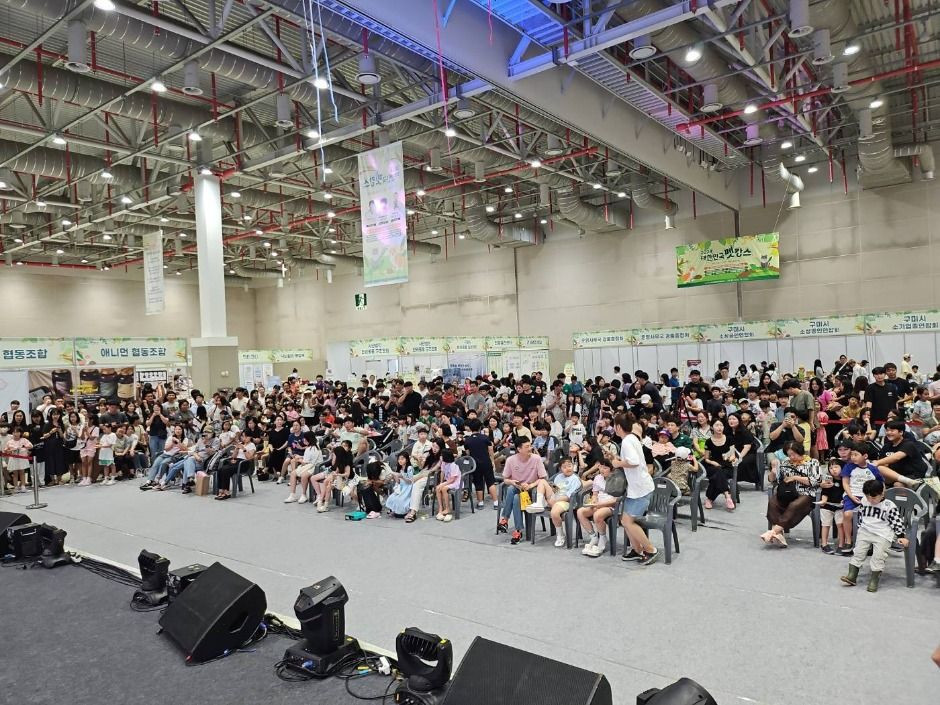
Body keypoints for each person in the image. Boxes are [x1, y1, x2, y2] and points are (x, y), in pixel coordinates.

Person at [840, 479, 909, 592]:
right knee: (858, 552)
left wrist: (901, 536)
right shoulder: (864, 501)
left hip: (882, 534)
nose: (870, 500)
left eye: (873, 497)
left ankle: (874, 579)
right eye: (867, 497)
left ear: (882, 494)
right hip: (865, 531)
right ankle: (852, 575)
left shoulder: (889, 506)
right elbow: (861, 514)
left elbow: (897, 522)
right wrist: (860, 526)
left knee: (879, 556)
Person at [610, 412, 659, 565]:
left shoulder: (627, 441)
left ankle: (650, 549)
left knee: (628, 521)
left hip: (640, 489)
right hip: (637, 488)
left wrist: (618, 463)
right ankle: (637, 550)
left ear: (618, 427)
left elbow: (634, 461)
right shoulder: (631, 438)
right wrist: (620, 460)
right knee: (625, 521)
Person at [761, 441, 821, 547]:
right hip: (787, 493)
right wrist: (773, 472)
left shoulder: (813, 462)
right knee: (773, 502)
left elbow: (815, 481)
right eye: (789, 455)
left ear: (800, 451)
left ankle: (773, 532)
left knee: (794, 505)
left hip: (806, 493)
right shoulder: (785, 462)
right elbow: (773, 480)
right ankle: (779, 534)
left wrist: (795, 478)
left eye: (794, 454)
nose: (792, 457)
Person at [497, 438, 547, 545]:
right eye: (527, 446)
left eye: (530, 445)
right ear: (519, 449)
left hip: (532, 491)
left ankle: (506, 521)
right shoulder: (511, 460)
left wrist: (531, 485)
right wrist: (512, 482)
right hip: (518, 488)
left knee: (514, 496)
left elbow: (543, 478)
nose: (530, 448)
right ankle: (516, 529)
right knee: (512, 491)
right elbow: (505, 479)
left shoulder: (536, 459)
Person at [525, 458, 583, 547]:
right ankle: (539, 503)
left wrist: (555, 500)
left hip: (566, 501)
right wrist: (549, 491)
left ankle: (560, 535)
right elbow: (556, 489)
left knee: (554, 512)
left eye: (569, 466)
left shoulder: (575, 479)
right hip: (555, 497)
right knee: (542, 481)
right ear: (560, 469)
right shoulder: (559, 476)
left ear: (573, 466)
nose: (568, 468)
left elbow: (568, 497)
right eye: (564, 467)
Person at [576, 458, 618, 558]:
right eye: (601, 467)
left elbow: (616, 499)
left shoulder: (617, 479)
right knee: (580, 512)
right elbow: (595, 494)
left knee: (597, 515)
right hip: (598, 504)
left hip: (611, 505)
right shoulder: (598, 477)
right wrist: (594, 500)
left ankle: (602, 538)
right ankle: (594, 537)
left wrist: (600, 504)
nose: (602, 470)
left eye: (605, 468)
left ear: (611, 469)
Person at [463, 418, 498, 509]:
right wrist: (492, 461)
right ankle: (496, 503)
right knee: (491, 482)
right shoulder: (485, 438)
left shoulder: (467, 440)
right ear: (480, 428)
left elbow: (468, 454)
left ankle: (480, 503)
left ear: (470, 428)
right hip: (486, 462)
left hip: (475, 464)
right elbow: (490, 450)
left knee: (478, 483)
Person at [702, 419, 736, 511]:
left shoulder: (729, 439)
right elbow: (706, 458)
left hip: (726, 465)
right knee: (717, 471)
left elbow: (733, 455)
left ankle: (709, 499)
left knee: (717, 476)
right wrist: (712, 462)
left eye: (721, 425)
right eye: (717, 425)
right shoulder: (708, 441)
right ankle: (727, 495)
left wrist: (729, 458)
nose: (719, 427)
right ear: (712, 427)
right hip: (713, 465)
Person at [214, 431, 257, 500]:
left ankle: (226, 492)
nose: (244, 438)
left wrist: (244, 449)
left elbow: (249, 458)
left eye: (246, 436)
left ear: (250, 437)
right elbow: (233, 456)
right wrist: (236, 449)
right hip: (236, 461)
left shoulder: (252, 445)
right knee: (220, 469)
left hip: (244, 463)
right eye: (243, 436)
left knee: (226, 470)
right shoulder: (240, 444)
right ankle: (221, 490)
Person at [283, 432, 323, 504]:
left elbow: (305, 462)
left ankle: (304, 494)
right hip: (309, 465)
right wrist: (300, 457)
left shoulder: (313, 448)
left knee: (304, 475)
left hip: (315, 467)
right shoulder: (310, 447)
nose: (303, 440)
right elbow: (307, 459)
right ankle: (292, 495)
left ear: (309, 439)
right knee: (293, 473)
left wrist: (298, 459)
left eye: (305, 438)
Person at [818, 458, 846, 554]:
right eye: (830, 468)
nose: (833, 470)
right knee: (825, 524)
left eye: (836, 467)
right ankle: (824, 544)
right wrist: (823, 500)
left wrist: (844, 501)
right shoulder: (828, 480)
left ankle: (841, 545)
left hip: (840, 506)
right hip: (827, 505)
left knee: (840, 525)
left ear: (842, 468)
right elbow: (824, 492)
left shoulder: (845, 480)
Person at [434, 450, 462, 522]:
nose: (440, 457)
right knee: (438, 488)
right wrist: (441, 482)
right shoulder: (443, 463)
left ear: (446, 457)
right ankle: (440, 508)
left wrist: (443, 484)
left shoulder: (453, 465)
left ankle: (447, 508)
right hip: (448, 482)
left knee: (444, 488)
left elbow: (453, 479)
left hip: (456, 482)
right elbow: (442, 473)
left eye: (442, 455)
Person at [4, 426, 32, 493]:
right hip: (13, 459)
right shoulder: (10, 441)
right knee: (15, 473)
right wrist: (11, 450)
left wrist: (23, 447)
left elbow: (31, 446)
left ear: (20, 433)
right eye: (14, 432)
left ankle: (23, 486)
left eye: (17, 432)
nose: (15, 434)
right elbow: (5, 450)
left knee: (22, 472)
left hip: (22, 458)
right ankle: (16, 487)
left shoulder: (24, 440)